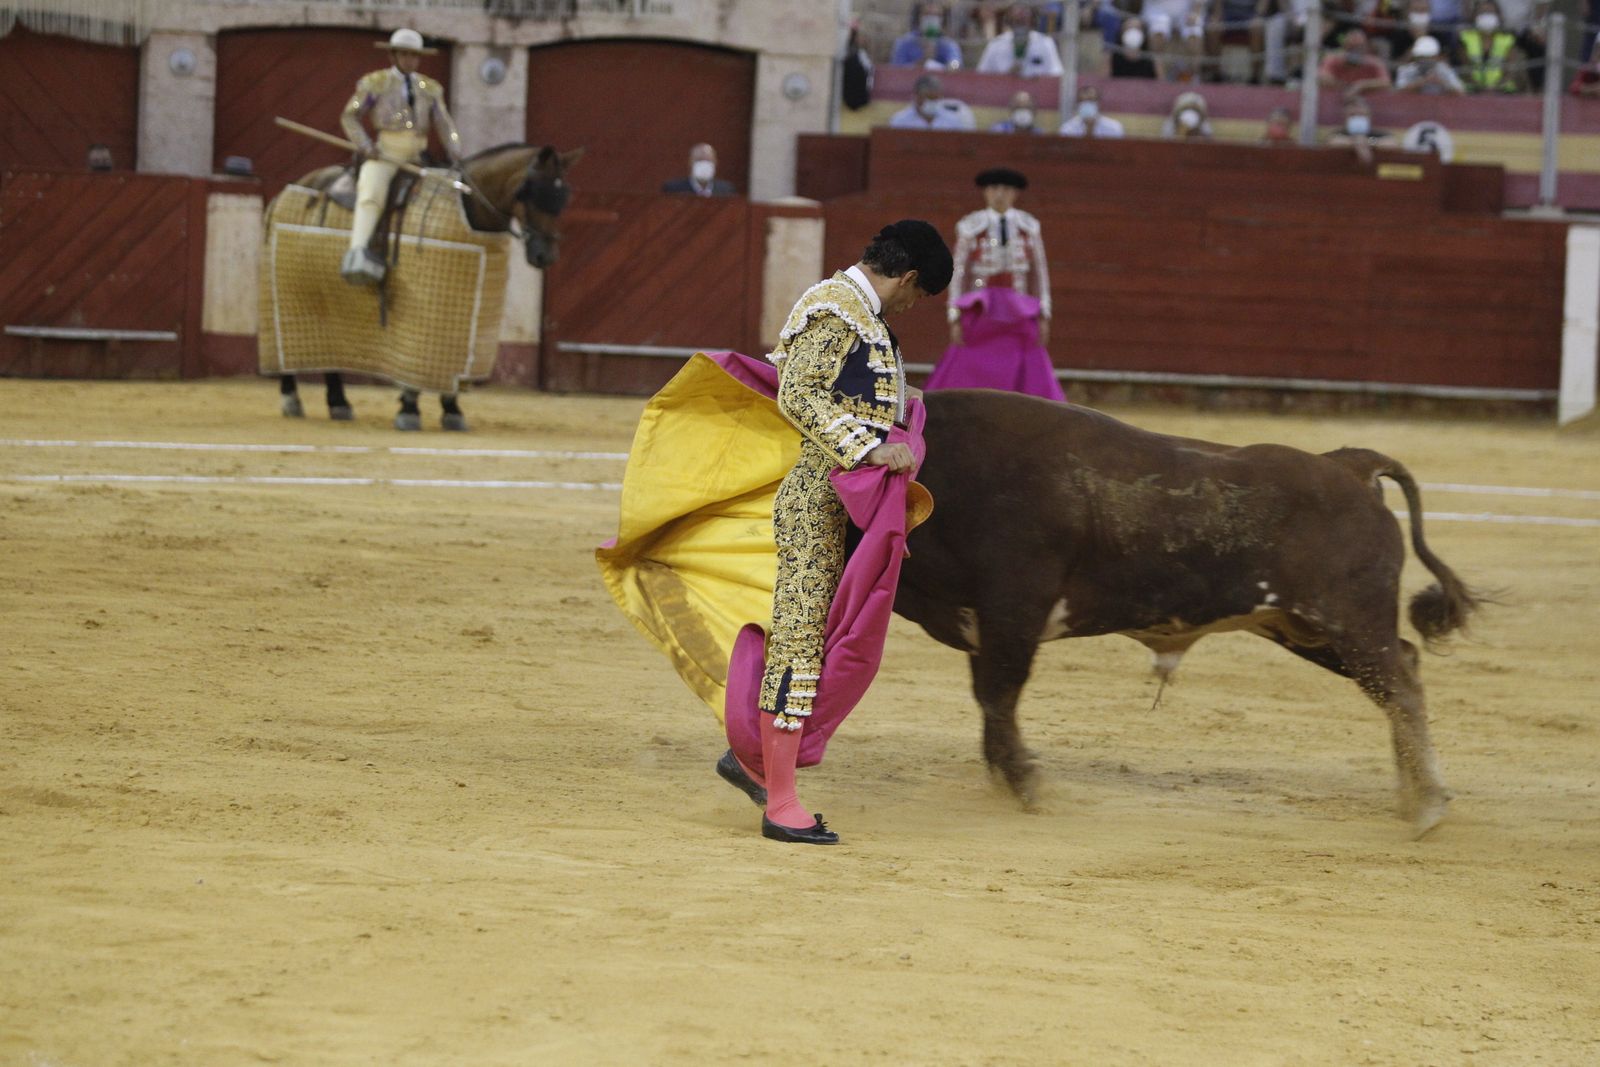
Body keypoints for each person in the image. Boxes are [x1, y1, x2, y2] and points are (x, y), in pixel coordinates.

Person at [738, 220, 952, 844]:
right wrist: (868, 449)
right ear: (908, 278)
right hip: (817, 499)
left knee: (831, 635)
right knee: (802, 639)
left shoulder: (866, 317)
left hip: (848, 501)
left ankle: (756, 760)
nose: (914, 308)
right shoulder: (836, 308)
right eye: (919, 296)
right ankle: (779, 801)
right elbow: (798, 395)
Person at [926, 169, 1063, 402]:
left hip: (1018, 305)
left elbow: (1039, 273)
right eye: (994, 189)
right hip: (982, 306)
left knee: (1029, 360)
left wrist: (1043, 313)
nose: (1000, 194)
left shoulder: (1029, 226)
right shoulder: (970, 225)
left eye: (1006, 189)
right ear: (986, 192)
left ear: (1015, 194)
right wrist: (955, 314)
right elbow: (959, 272)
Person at [340, 28, 462, 285]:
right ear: (393, 56)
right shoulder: (375, 82)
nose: (410, 60)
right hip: (387, 153)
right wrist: (364, 145)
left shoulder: (430, 88)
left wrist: (455, 152)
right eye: (404, 54)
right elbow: (350, 115)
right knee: (371, 191)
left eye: (414, 55)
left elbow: (444, 124)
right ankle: (357, 252)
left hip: (419, 153)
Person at [1454, 0, 1524, 92]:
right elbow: (1464, 69)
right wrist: (1480, 89)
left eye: (1490, 12)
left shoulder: (1508, 39)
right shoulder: (1465, 38)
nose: (1486, 16)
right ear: (1474, 16)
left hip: (1503, 91)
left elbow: (1511, 71)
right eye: (1482, 12)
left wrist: (1496, 88)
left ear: (1498, 16)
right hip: (1472, 91)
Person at [977, 4, 1066, 76]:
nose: (1021, 13)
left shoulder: (1045, 42)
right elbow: (982, 76)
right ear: (1009, 15)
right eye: (1017, 9)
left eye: (1025, 9)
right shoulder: (996, 44)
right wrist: (1006, 77)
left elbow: (1056, 75)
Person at [1318, 28, 1393, 96]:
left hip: (1366, 103)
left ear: (1366, 48)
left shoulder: (1374, 62)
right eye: (1351, 47)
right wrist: (1345, 87)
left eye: (1359, 47)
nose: (1355, 52)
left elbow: (1386, 83)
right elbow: (1322, 78)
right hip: (1337, 99)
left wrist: (1361, 85)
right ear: (1344, 47)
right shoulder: (1333, 58)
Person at [888, 74, 977, 130]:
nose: (933, 102)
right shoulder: (900, 122)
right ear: (917, 97)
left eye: (936, 99)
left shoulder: (953, 122)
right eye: (929, 98)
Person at [1325, 96, 1399, 163]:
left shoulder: (1379, 133)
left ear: (1369, 117)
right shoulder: (1338, 132)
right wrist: (1356, 142)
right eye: (1353, 115)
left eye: (1361, 115)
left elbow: (1392, 143)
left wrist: (1368, 142)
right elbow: (1332, 142)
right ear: (1345, 118)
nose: (1357, 118)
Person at [891, 3, 964, 69]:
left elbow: (956, 64)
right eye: (927, 14)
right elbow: (896, 68)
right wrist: (922, 62)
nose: (931, 19)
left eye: (936, 15)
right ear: (919, 16)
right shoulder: (904, 42)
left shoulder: (949, 44)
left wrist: (951, 66)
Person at [1396, 34, 1467, 92]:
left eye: (1428, 57)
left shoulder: (1443, 69)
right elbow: (1398, 91)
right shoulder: (1406, 70)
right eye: (1421, 57)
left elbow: (1461, 91)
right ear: (1416, 57)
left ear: (1436, 57)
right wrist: (1423, 82)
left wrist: (1442, 83)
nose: (1424, 60)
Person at [661, 143, 736, 196]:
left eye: (708, 160)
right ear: (690, 163)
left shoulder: (726, 190)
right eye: (699, 160)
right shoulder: (673, 189)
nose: (704, 165)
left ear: (715, 163)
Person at [1059, 85, 1127, 135]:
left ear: (1098, 103)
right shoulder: (1068, 129)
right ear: (1077, 105)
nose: (1087, 104)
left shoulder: (1114, 128)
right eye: (1083, 101)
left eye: (1091, 100)